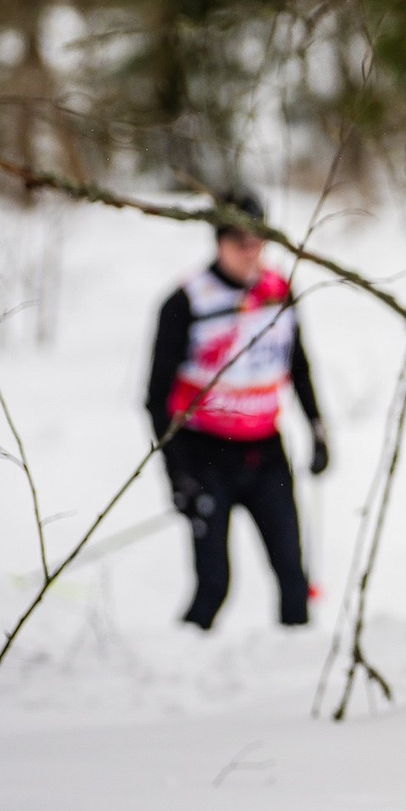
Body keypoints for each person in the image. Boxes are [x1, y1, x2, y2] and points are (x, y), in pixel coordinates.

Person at [146, 192, 326, 629]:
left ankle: (295, 676)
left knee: (293, 579)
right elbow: (155, 397)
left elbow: (298, 366)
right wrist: (177, 474)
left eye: (259, 241)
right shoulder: (187, 300)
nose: (251, 252)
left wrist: (319, 430)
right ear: (219, 242)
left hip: (265, 453)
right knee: (214, 585)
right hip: (206, 455)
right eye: (240, 242)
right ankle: (176, 668)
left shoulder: (278, 291)